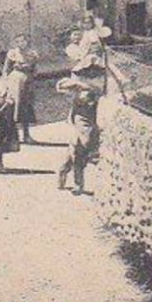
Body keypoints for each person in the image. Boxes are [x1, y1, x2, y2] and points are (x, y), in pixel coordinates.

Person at [55, 51, 105, 194]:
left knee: (78, 149)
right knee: (82, 145)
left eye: (95, 68)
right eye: (89, 68)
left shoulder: (102, 79)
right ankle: (78, 184)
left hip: (95, 115)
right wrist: (79, 85)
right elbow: (61, 85)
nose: (92, 71)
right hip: (80, 116)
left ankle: (63, 169)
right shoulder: (77, 79)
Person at [5, 33, 38, 144]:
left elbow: (35, 70)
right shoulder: (12, 53)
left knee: (26, 107)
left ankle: (26, 135)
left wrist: (31, 75)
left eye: (23, 41)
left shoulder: (32, 54)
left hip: (27, 83)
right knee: (14, 108)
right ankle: (13, 137)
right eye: (18, 41)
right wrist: (6, 84)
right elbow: (6, 69)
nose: (21, 44)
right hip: (15, 83)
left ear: (27, 42)